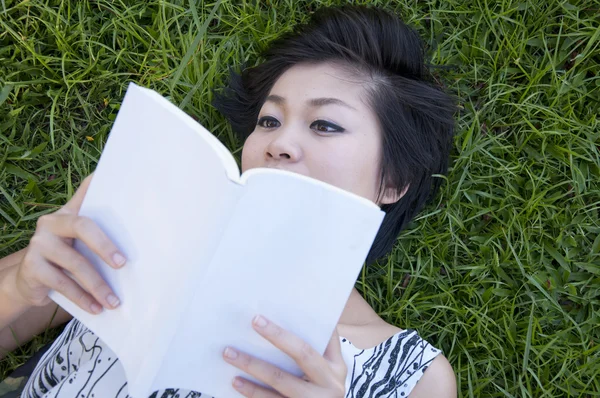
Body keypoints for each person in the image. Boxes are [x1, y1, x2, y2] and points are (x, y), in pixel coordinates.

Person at [0, 4, 457, 397]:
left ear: (393, 180)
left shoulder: (411, 376)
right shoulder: (146, 235)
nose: (278, 143)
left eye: (325, 125)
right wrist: (20, 287)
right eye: (270, 121)